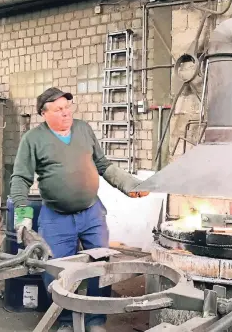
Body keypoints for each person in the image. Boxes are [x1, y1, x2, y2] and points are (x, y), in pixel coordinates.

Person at [10, 87, 147, 332]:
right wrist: (22, 213)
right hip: (56, 217)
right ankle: (65, 321)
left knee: (101, 267)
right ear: (44, 113)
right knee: (56, 271)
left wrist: (130, 185)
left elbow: (103, 165)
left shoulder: (83, 129)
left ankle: (95, 321)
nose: (66, 113)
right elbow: (20, 178)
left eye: (67, 107)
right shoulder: (33, 139)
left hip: (91, 213)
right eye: (59, 109)